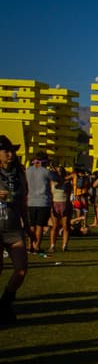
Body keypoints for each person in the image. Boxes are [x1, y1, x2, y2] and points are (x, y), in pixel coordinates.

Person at [0, 135, 29, 324]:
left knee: (21, 270)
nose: (11, 154)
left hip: (14, 228)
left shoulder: (19, 173)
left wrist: (28, 226)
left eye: (12, 151)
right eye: (6, 151)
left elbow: (22, 203)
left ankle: (4, 302)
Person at [25, 150, 52, 255]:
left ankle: (29, 245)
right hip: (43, 201)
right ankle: (37, 246)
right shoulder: (45, 171)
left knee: (32, 225)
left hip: (31, 200)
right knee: (40, 225)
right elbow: (58, 179)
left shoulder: (28, 170)